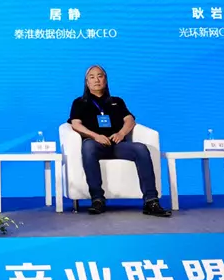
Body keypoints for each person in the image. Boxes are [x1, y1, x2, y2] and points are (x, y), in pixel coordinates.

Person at [68, 65, 171, 217]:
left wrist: (121, 133)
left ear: (105, 80)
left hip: (117, 145)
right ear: (87, 82)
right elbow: (76, 124)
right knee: (88, 146)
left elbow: (130, 120)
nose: (96, 80)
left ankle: (151, 201)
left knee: (141, 148)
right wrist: (95, 136)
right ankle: (97, 199)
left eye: (100, 76)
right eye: (92, 77)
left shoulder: (117, 101)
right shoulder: (79, 102)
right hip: (96, 145)